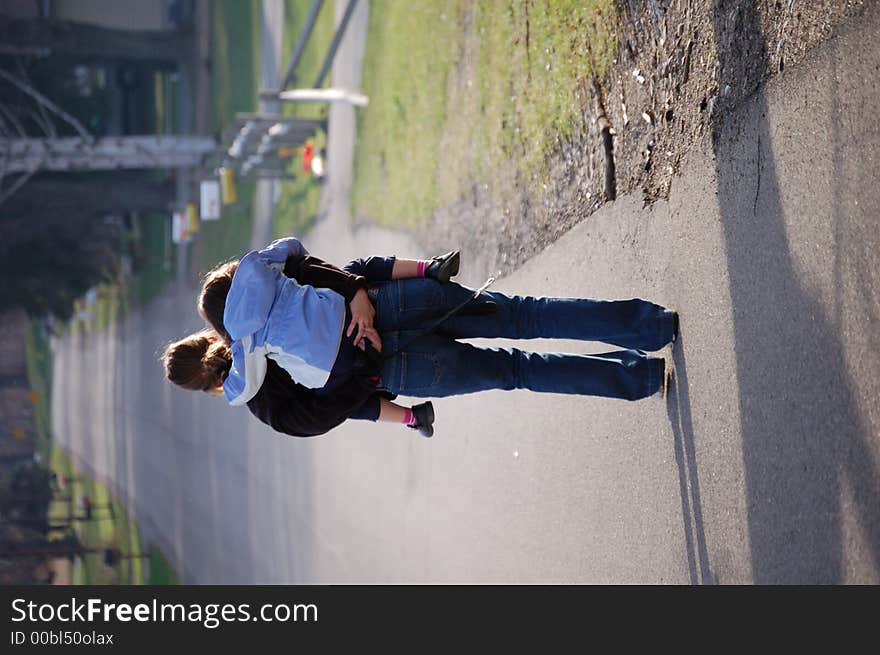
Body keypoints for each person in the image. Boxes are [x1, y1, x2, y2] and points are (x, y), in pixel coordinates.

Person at [163, 237, 678, 439]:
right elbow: (326, 268)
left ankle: (642, 378)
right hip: (392, 302)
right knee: (526, 314)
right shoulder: (267, 279)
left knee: (518, 369)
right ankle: (651, 324)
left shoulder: (258, 387)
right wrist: (361, 289)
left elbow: (324, 416)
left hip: (392, 368)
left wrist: (367, 380)